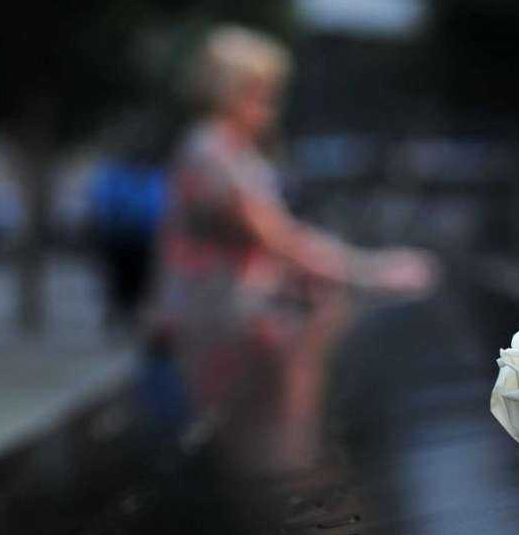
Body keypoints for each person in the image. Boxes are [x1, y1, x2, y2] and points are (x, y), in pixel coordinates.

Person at [151, 25, 434, 465]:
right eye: (259, 94)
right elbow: (277, 239)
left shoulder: (233, 151)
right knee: (260, 446)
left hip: (232, 322)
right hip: (217, 325)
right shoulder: (210, 152)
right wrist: (372, 271)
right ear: (228, 92)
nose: (270, 108)